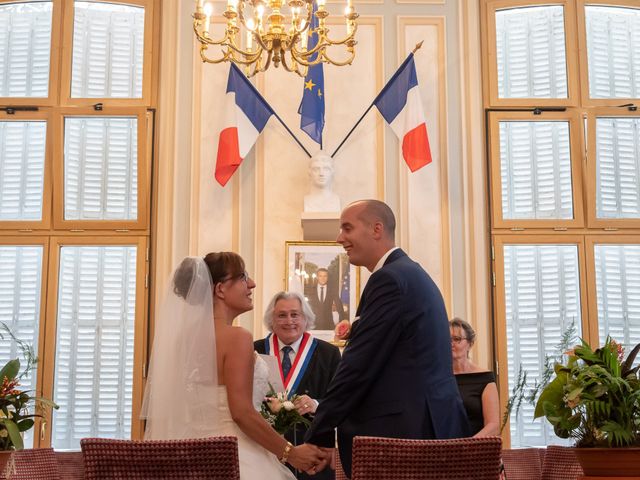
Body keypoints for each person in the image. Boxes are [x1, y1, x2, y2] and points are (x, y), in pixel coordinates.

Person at [304, 200, 470, 478]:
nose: (339, 238)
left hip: (404, 436)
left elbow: (358, 365)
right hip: (427, 425)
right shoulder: (409, 273)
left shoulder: (389, 279)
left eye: (347, 228)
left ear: (376, 229)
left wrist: (319, 433)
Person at [142, 254, 329, 479]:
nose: (252, 284)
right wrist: (290, 453)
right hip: (235, 456)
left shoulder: (183, 339)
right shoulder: (237, 337)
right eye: (243, 277)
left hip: (192, 456)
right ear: (220, 289)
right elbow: (241, 413)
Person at [255, 291, 342, 480]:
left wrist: (316, 404)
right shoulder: (254, 350)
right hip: (266, 451)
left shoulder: (329, 353)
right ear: (272, 319)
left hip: (313, 455)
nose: (289, 321)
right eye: (281, 315)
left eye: (295, 314)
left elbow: (340, 401)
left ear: (306, 318)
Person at [450, 318, 500, 437]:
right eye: (447, 339)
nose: (451, 343)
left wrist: (469, 446)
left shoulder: (485, 378)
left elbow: (493, 425)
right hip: (444, 449)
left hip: (476, 450)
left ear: (470, 344)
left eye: (457, 339)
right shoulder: (438, 377)